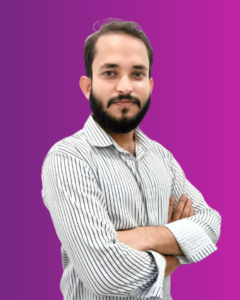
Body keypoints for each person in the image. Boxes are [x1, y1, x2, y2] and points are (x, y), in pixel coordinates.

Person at [41, 19, 222, 300]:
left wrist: (140, 236)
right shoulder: (68, 159)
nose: (125, 87)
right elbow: (104, 274)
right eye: (110, 73)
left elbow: (211, 224)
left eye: (137, 74)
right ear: (87, 86)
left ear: (149, 85)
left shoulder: (162, 158)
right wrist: (174, 253)